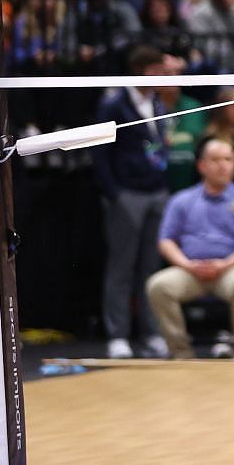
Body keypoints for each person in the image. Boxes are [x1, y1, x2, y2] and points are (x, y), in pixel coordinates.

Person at [146, 137, 234, 361]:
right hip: (190, 270)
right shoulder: (181, 200)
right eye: (215, 159)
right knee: (159, 286)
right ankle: (180, 352)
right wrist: (187, 265)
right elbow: (166, 240)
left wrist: (226, 264)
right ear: (201, 165)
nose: (223, 165)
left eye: (228, 159)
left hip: (231, 268)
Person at [95, 45, 175, 359]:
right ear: (142, 71)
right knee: (121, 267)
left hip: (156, 192)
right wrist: (114, 193)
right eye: (157, 71)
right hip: (127, 194)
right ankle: (118, 335)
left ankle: (151, 333)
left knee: (150, 269)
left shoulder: (157, 102)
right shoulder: (115, 104)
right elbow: (101, 154)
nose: (162, 77)